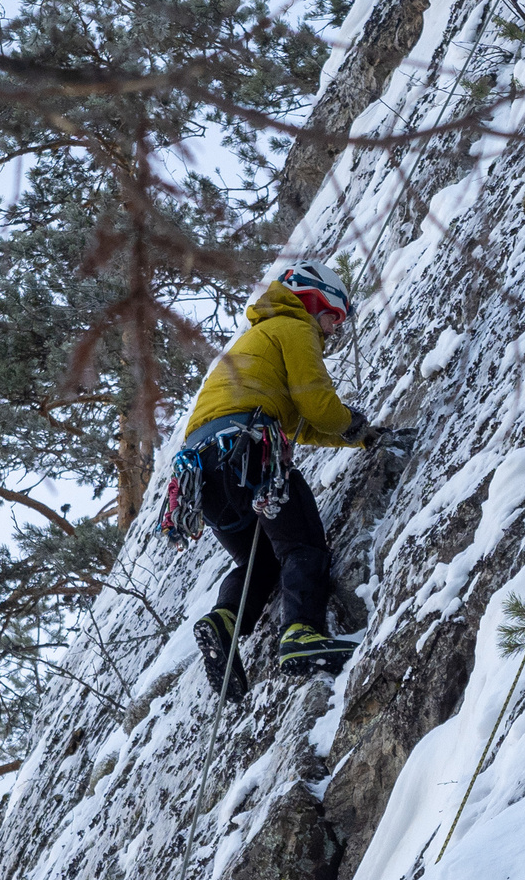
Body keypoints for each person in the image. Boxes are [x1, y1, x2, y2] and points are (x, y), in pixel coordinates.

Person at [166, 261, 411, 698]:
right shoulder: (293, 328)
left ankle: (224, 620)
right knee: (301, 545)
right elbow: (318, 405)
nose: (333, 332)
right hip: (250, 451)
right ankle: (301, 632)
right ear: (312, 301)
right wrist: (351, 420)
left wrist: (359, 437)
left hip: (203, 475)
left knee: (262, 562)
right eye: (333, 318)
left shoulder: (251, 344)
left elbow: (303, 425)